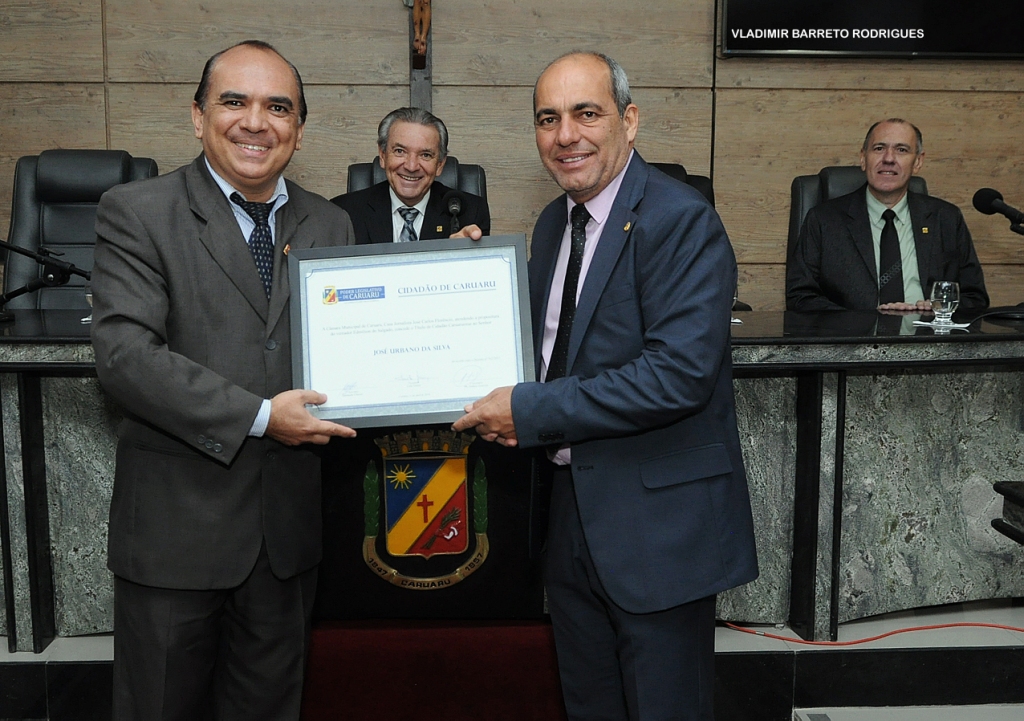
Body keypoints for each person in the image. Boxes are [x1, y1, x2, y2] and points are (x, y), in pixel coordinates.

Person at [453, 52, 758, 721]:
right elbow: (539, 352)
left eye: (586, 113)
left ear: (629, 120)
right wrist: (462, 279)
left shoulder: (681, 220)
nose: (566, 135)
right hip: (567, 519)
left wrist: (529, 410)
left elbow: (675, 375)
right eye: (548, 118)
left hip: (658, 530)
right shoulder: (551, 224)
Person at [91, 40, 356, 720]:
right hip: (176, 538)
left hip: (286, 540)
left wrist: (446, 292)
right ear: (197, 116)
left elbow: (358, 346)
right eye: (234, 101)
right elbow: (124, 355)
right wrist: (263, 416)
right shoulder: (138, 210)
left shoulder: (331, 223)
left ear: (299, 128)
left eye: (278, 107)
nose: (256, 122)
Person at [787, 118, 989, 312]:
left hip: (929, 340)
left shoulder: (945, 219)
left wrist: (935, 310)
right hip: (852, 342)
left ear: (918, 162)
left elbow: (975, 298)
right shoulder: (824, 220)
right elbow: (800, 297)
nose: (889, 159)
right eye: (879, 148)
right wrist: (863, 322)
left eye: (901, 150)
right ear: (863, 158)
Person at [331, 106, 490, 244]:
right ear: (383, 155)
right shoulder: (342, 213)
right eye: (400, 151)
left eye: (425, 155)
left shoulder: (469, 213)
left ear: (440, 164)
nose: (411, 166)